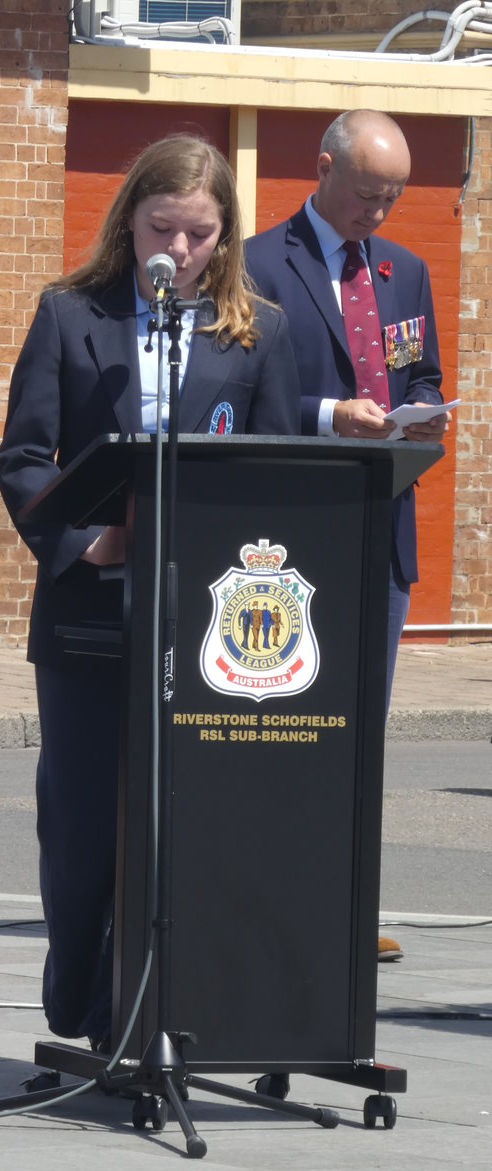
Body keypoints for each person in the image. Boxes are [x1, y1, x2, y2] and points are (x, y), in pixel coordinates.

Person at [0, 134, 301, 1050]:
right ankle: (85, 1003)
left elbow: (274, 475)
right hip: (92, 613)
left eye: (199, 234)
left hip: (206, 624)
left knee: (184, 823)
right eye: (162, 227)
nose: (178, 249)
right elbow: (22, 457)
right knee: (83, 821)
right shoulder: (69, 314)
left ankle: (163, 1010)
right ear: (129, 219)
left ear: (225, 236)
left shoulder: (260, 331)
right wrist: (88, 542)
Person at [245, 109, 449, 963]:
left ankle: (346, 905)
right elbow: (238, 389)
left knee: (358, 729)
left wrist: (420, 420)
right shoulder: (256, 262)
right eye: (368, 193)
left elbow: (425, 372)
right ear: (323, 168)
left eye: (393, 196)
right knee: (283, 726)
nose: (380, 211)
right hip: (288, 538)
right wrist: (331, 415)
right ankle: (261, 897)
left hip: (381, 529)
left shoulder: (405, 271)